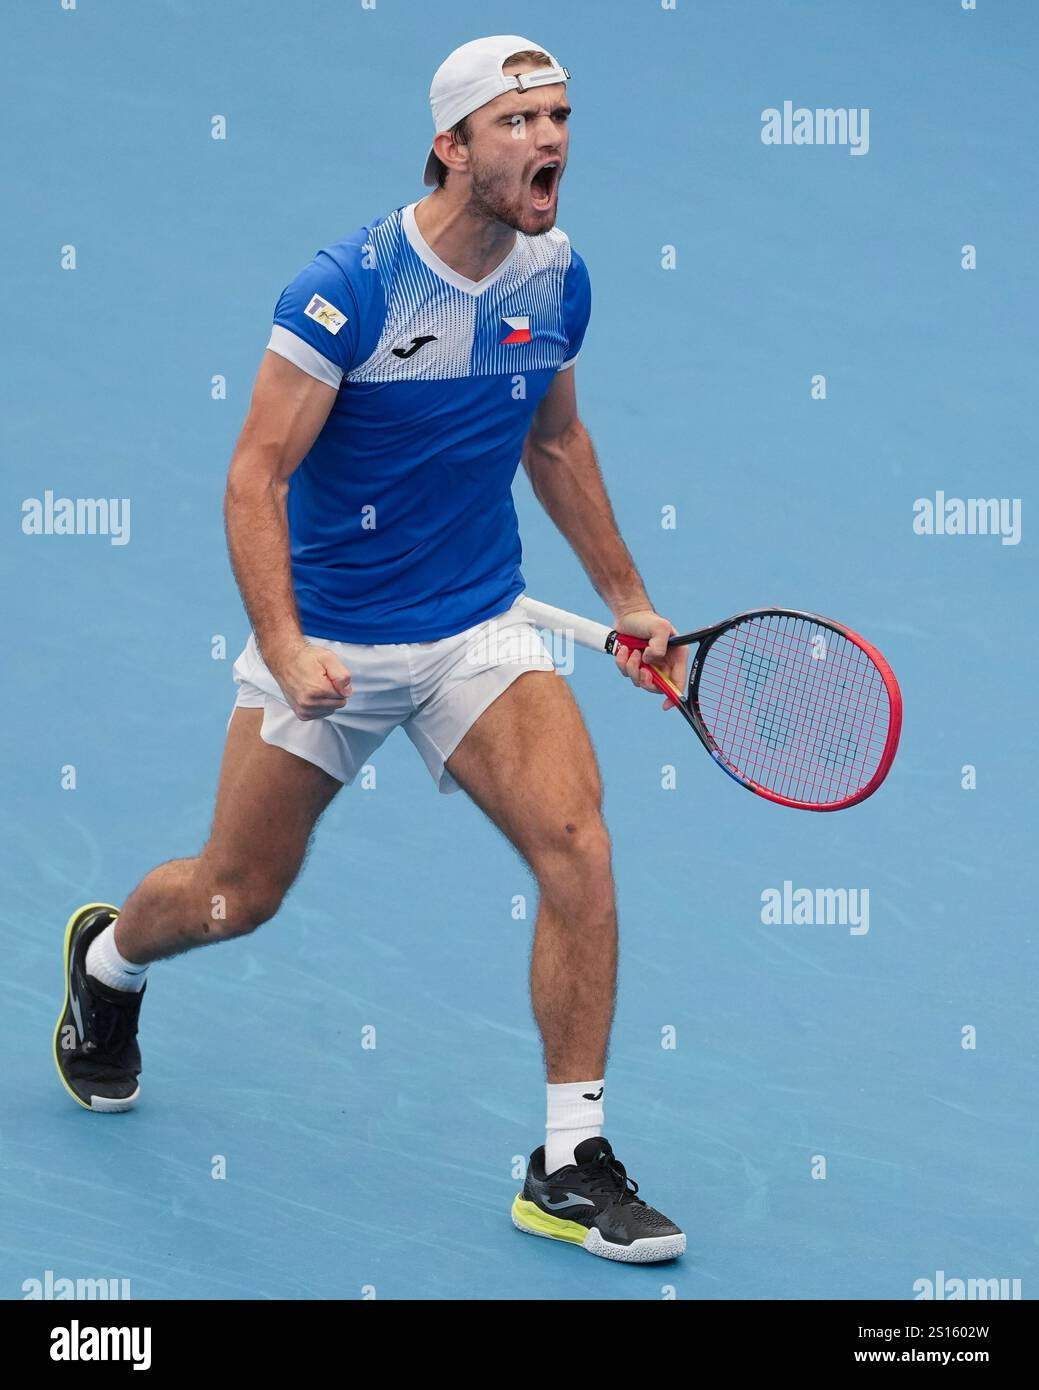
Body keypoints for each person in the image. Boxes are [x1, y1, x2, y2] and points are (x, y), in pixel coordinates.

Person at [54, 34, 688, 1264]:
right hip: (332, 641)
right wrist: (286, 649)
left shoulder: (555, 279)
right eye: (517, 123)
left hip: (477, 628)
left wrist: (627, 598)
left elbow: (553, 442)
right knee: (235, 896)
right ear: (452, 146)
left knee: (579, 848)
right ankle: (111, 957)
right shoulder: (346, 288)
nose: (549, 140)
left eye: (559, 116)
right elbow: (256, 474)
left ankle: (568, 1158)